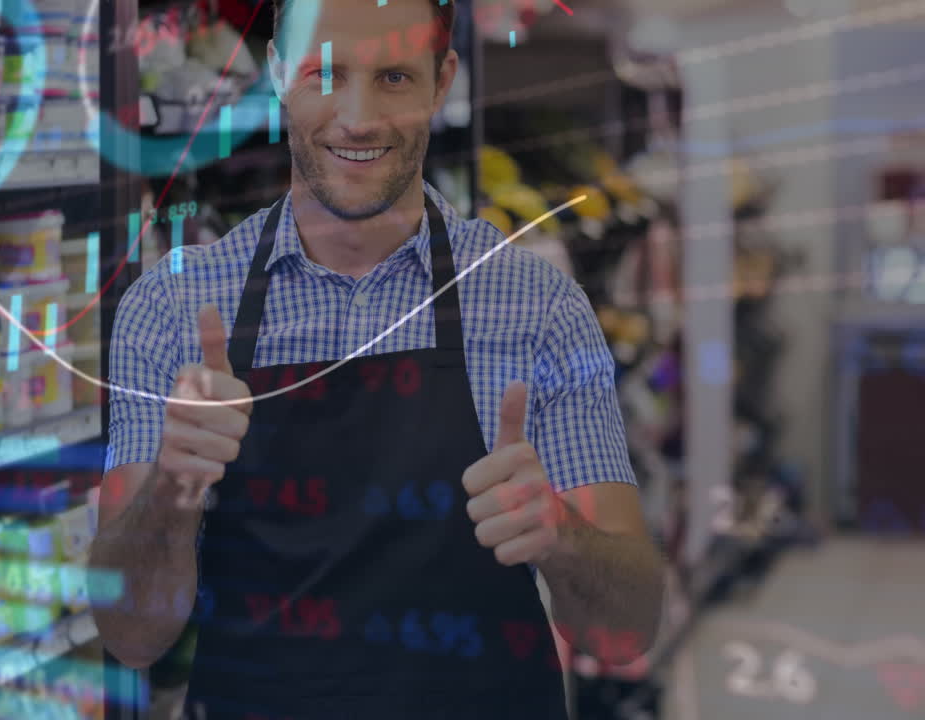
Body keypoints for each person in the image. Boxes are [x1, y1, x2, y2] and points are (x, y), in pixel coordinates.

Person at [90, 0, 666, 717]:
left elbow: (624, 632)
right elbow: (131, 635)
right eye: (324, 74)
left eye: (394, 77)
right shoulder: (169, 310)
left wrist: (560, 534)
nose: (357, 119)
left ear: (442, 80)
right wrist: (173, 488)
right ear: (278, 75)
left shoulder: (538, 308)